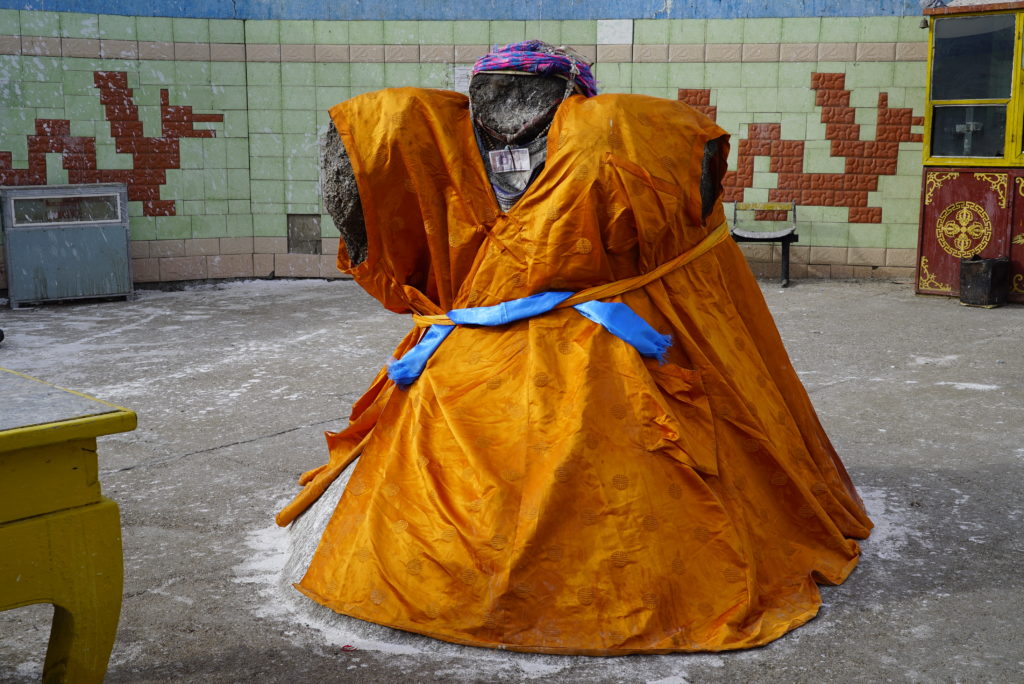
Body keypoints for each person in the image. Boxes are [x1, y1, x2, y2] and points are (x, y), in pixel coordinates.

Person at [276, 41, 872, 655]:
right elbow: (697, 252)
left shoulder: (398, 132)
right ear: (577, 93)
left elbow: (370, 239)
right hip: (600, 358)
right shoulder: (632, 133)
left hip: (476, 364)